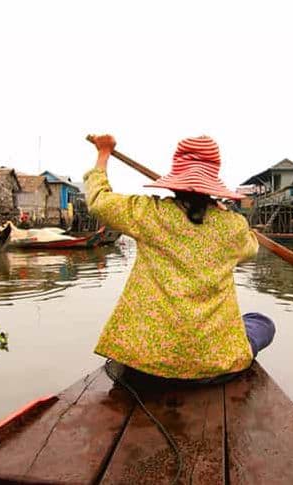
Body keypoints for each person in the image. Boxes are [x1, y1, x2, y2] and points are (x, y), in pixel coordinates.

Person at [84, 134, 274, 383]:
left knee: (253, 322)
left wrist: (103, 153)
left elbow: (99, 201)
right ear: (213, 186)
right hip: (213, 367)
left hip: (146, 365)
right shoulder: (233, 227)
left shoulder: (148, 213)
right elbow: (251, 248)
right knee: (262, 323)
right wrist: (225, 213)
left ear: (174, 182)